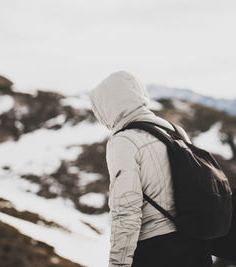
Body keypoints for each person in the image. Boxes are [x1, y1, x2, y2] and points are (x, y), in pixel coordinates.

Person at [90, 71, 212, 267]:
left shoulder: (123, 141)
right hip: (195, 246)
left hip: (157, 251)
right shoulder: (173, 130)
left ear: (106, 106)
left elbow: (126, 211)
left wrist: (118, 265)